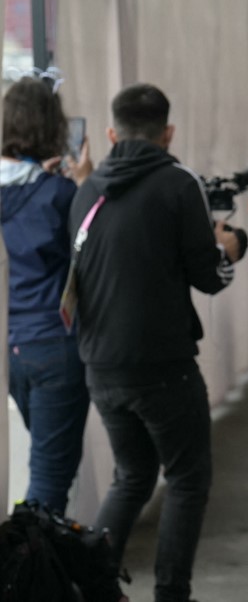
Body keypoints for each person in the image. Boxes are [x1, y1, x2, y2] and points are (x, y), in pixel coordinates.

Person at [69, 83, 243, 602]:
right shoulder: (178, 184)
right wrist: (230, 248)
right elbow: (209, 276)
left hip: (100, 365)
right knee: (187, 479)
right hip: (164, 366)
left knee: (131, 476)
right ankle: (171, 593)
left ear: (111, 134)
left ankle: (94, 587)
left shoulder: (87, 190)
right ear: (168, 133)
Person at [1, 76, 92, 515]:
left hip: (10, 345)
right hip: (55, 342)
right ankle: (30, 556)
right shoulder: (60, 193)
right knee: (50, 478)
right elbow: (90, 256)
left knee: (43, 463)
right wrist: (86, 185)